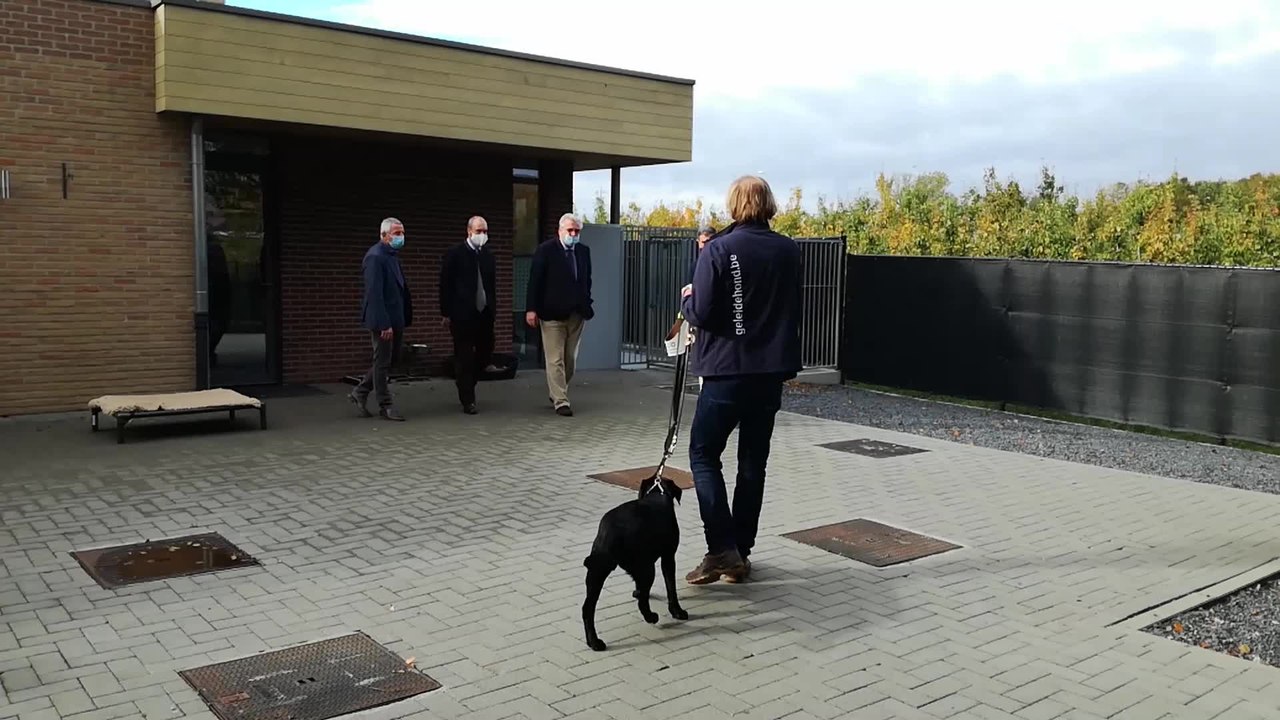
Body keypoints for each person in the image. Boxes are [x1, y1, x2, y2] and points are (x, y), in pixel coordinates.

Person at [679, 176, 802, 585]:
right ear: (769, 203)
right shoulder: (788, 250)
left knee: (703, 455)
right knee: (752, 464)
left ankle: (722, 548)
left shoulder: (719, 249)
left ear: (733, 204)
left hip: (726, 370)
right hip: (769, 373)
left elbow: (702, 312)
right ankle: (740, 553)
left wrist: (687, 299)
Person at [526, 212, 593, 416]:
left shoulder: (583, 251)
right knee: (555, 359)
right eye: (570, 230)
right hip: (552, 313)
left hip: (576, 313)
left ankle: (556, 390)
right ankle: (561, 401)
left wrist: (586, 300)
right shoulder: (546, 251)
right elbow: (535, 280)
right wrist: (531, 309)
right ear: (560, 230)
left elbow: (586, 279)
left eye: (576, 231)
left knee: (569, 359)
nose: (573, 234)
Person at [439, 216, 504, 415]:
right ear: (469, 231)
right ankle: (468, 400)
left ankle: (466, 381)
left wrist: (492, 308)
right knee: (464, 357)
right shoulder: (455, 254)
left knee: (485, 354)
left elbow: (491, 285)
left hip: (484, 314)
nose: (482, 235)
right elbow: (445, 284)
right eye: (478, 231)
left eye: (485, 231)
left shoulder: (488, 256)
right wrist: (446, 312)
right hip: (462, 314)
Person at [350, 217, 412, 422]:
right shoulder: (375, 257)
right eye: (396, 233)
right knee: (383, 361)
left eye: (402, 233)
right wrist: (384, 323)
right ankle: (385, 404)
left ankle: (360, 391)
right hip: (383, 318)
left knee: (391, 359)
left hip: (396, 316)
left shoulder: (392, 256)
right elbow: (374, 293)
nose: (401, 237)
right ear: (384, 235)